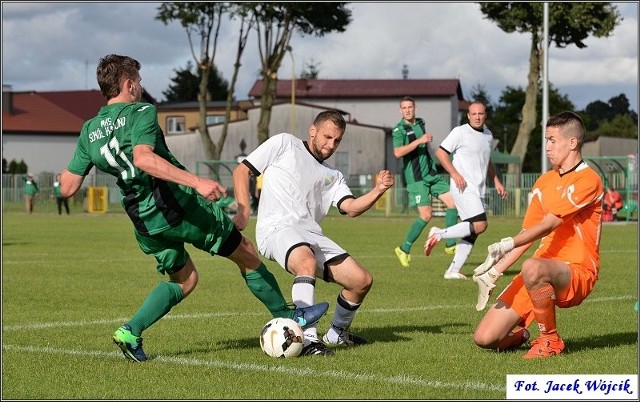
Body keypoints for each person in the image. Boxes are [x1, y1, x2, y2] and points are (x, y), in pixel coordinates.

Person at [59, 54, 328, 363]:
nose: (141, 88)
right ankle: (291, 317)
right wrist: (197, 182)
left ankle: (131, 332)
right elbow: (144, 158)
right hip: (177, 206)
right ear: (129, 84)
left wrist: (60, 177)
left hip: (143, 220)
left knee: (185, 280)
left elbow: (67, 187)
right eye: (140, 82)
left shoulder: (90, 129)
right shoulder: (141, 110)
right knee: (246, 253)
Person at [232, 110, 395, 356]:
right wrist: (243, 211)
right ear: (312, 131)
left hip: (311, 235)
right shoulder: (284, 143)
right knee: (305, 261)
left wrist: (378, 190)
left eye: (337, 140)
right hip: (277, 228)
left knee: (361, 281)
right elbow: (241, 171)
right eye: (327, 137)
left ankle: (337, 334)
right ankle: (307, 338)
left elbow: (350, 208)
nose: (331, 145)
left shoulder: (333, 175)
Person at [472, 111, 603, 359]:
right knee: (485, 338)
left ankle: (550, 341)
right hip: (539, 269)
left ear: (572, 142)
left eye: (553, 140)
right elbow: (528, 233)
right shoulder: (543, 182)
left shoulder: (589, 179)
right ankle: (522, 335)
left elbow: (550, 224)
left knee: (532, 267)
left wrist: (506, 243)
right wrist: (494, 271)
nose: (547, 147)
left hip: (577, 270)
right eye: (546, 140)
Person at [424, 101, 507, 279]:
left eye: (481, 114)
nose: (477, 117)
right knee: (481, 224)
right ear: (468, 115)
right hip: (463, 187)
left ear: (485, 115)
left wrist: (496, 181)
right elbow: (440, 153)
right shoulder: (460, 132)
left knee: (474, 230)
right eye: (474, 114)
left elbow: (487, 161)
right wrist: (455, 174)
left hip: (479, 189)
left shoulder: (488, 135)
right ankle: (439, 233)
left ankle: (453, 270)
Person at [392, 96, 459, 267]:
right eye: (404, 108)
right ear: (400, 111)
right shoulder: (399, 130)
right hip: (416, 179)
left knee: (453, 203)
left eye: (410, 107)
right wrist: (419, 141)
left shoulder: (421, 122)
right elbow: (398, 153)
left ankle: (450, 245)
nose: (407, 110)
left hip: (431, 175)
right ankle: (403, 248)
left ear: (415, 108)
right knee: (426, 215)